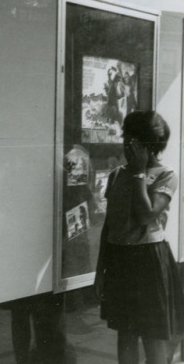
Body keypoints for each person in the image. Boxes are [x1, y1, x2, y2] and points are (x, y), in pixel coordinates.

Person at [94, 110, 184, 364]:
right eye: (126, 138)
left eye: (134, 140)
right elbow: (109, 225)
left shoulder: (166, 175)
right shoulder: (116, 174)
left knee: (152, 334)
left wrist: (139, 173)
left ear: (150, 144)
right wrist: (100, 270)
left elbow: (146, 215)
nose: (127, 145)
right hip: (119, 258)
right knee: (126, 333)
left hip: (149, 259)